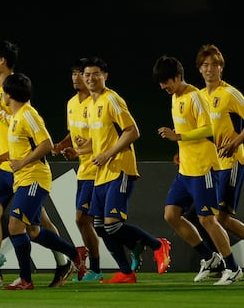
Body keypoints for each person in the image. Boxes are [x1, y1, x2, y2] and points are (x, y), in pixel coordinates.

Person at [0, 40, 84, 288]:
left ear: (2, 60)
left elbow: (24, 124)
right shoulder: (2, 88)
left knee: (32, 225)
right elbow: (12, 126)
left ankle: (64, 260)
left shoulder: (15, 88)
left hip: (25, 168)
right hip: (7, 165)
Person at [70, 56, 171, 283]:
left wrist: (108, 154)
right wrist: (79, 151)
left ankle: (158, 244)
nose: (90, 78)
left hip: (119, 168)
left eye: (96, 74)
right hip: (101, 172)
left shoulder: (111, 99)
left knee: (112, 225)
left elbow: (132, 131)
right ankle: (126, 272)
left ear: (105, 76)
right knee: (99, 226)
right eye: (87, 75)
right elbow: (99, 141)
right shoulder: (92, 105)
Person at [153, 55, 242, 285]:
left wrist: (178, 136)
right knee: (171, 214)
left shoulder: (195, 96)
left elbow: (207, 129)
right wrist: (180, 148)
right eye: (161, 83)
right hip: (186, 169)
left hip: (203, 168)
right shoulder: (176, 97)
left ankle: (232, 267)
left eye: (166, 82)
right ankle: (208, 256)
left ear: (178, 77)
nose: (163, 86)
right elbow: (187, 127)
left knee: (207, 220)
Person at [1, 72, 85, 290]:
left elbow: (46, 143)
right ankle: (75, 255)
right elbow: (18, 139)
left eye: (3, 89)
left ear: (9, 93)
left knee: (15, 224)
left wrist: (22, 163)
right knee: (34, 232)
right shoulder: (17, 116)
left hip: (34, 178)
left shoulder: (28, 115)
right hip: (23, 180)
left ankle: (26, 280)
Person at [195, 44, 244, 274]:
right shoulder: (198, 96)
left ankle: (226, 265)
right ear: (199, 69)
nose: (210, 69)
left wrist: (236, 141)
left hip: (232, 162)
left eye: (215, 65)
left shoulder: (229, 93)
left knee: (219, 217)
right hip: (210, 165)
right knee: (216, 218)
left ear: (222, 68)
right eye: (205, 65)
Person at [51, 58, 102, 282]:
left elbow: (102, 136)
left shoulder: (96, 103)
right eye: (73, 73)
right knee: (84, 220)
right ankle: (95, 267)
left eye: (80, 73)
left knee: (93, 220)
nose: (76, 77)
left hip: (100, 167)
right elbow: (74, 132)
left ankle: (96, 267)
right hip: (84, 169)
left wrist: (78, 151)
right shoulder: (71, 103)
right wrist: (63, 145)